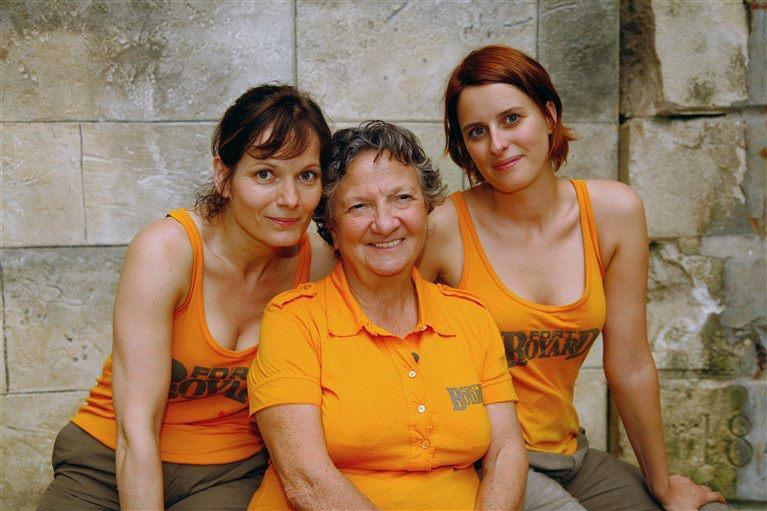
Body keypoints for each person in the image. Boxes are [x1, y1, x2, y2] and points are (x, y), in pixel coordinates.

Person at [418, 45, 728, 511]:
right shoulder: (441, 227)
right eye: (476, 132)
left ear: (548, 115)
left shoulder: (613, 213)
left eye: (510, 119)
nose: (497, 145)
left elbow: (630, 365)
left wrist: (662, 483)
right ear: (464, 148)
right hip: (479, 462)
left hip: (568, 455)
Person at [37, 84, 337, 511]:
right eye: (265, 174)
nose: (290, 200)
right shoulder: (167, 251)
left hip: (229, 475)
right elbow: (135, 427)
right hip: (107, 463)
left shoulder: (319, 264)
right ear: (224, 177)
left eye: (306, 176)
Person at [247, 120, 528, 510]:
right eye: (359, 206)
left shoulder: (470, 316)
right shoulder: (294, 320)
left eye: (402, 199)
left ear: (427, 207)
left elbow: (506, 453)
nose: (384, 223)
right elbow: (306, 481)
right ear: (331, 222)